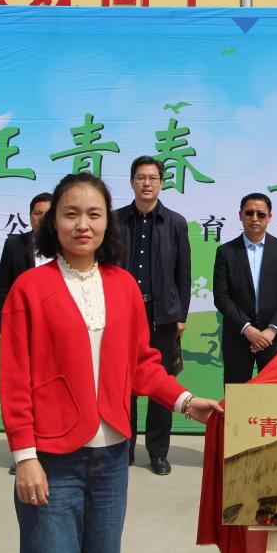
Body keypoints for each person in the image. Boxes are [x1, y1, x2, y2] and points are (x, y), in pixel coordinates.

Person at [0, 172, 222, 553]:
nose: (82, 225)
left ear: (107, 222)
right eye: (71, 214)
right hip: (53, 459)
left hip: (113, 457)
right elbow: (15, 380)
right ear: (54, 222)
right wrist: (25, 457)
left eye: (94, 214)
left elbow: (142, 364)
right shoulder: (29, 288)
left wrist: (185, 401)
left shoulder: (124, 285)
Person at [114, 156, 192, 475]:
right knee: (123, 384)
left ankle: (158, 452)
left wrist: (181, 313)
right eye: (141, 177)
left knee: (161, 385)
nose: (147, 183)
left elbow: (183, 273)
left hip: (163, 315)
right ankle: (124, 448)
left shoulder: (175, 223)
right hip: (122, 315)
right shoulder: (116, 221)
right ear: (132, 182)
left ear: (161, 182)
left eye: (153, 178)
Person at [213, 192, 277, 384]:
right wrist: (247, 329)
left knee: (274, 395)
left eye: (261, 214)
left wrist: (271, 330)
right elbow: (221, 297)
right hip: (238, 336)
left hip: (274, 339)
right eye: (249, 213)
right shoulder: (226, 252)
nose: (254, 218)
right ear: (240, 215)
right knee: (237, 396)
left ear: (269, 217)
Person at [0, 191, 52, 474]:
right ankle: (25, 454)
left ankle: (50, 451)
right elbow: (3, 286)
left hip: (54, 331)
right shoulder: (14, 244)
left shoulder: (67, 245)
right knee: (23, 391)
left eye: (47, 213)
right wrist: (1, 330)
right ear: (30, 216)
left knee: (49, 391)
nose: (42, 218)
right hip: (22, 329)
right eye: (37, 213)